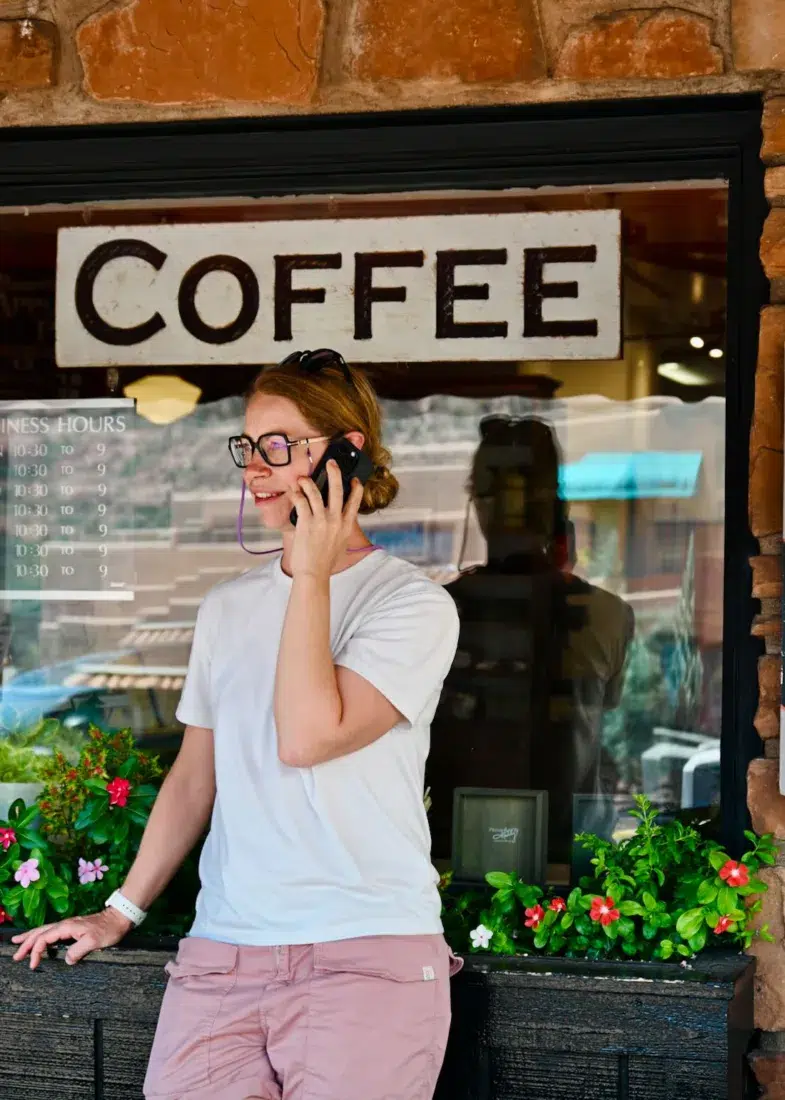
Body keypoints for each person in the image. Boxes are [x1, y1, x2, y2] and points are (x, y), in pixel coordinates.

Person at [12, 349, 462, 1100]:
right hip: (224, 956)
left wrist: (310, 574)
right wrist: (120, 910)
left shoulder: (410, 606)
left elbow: (308, 736)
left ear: (345, 452)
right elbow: (196, 775)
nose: (256, 466)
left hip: (364, 955)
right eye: (249, 446)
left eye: (280, 445)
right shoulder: (226, 606)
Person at [427, 415, 633, 870]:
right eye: (495, 491)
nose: (510, 507)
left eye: (522, 490)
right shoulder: (435, 613)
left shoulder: (605, 614)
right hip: (450, 856)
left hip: (560, 855)